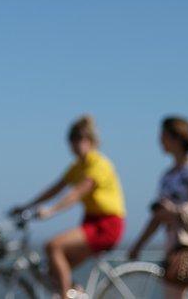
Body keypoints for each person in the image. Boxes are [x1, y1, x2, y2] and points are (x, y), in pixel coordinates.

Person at [10, 115, 126, 299]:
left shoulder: (99, 164)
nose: (75, 146)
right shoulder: (77, 166)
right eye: (72, 141)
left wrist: (51, 211)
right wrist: (27, 206)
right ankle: (76, 293)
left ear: (90, 141)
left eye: (79, 140)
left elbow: (77, 192)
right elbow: (55, 188)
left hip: (106, 225)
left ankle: (65, 296)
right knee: (52, 272)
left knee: (53, 246)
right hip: (91, 222)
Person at [128, 115, 188, 299]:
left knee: (174, 295)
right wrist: (138, 245)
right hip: (172, 244)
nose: (160, 140)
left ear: (175, 138)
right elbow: (157, 218)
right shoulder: (168, 174)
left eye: (163, 136)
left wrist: (174, 212)